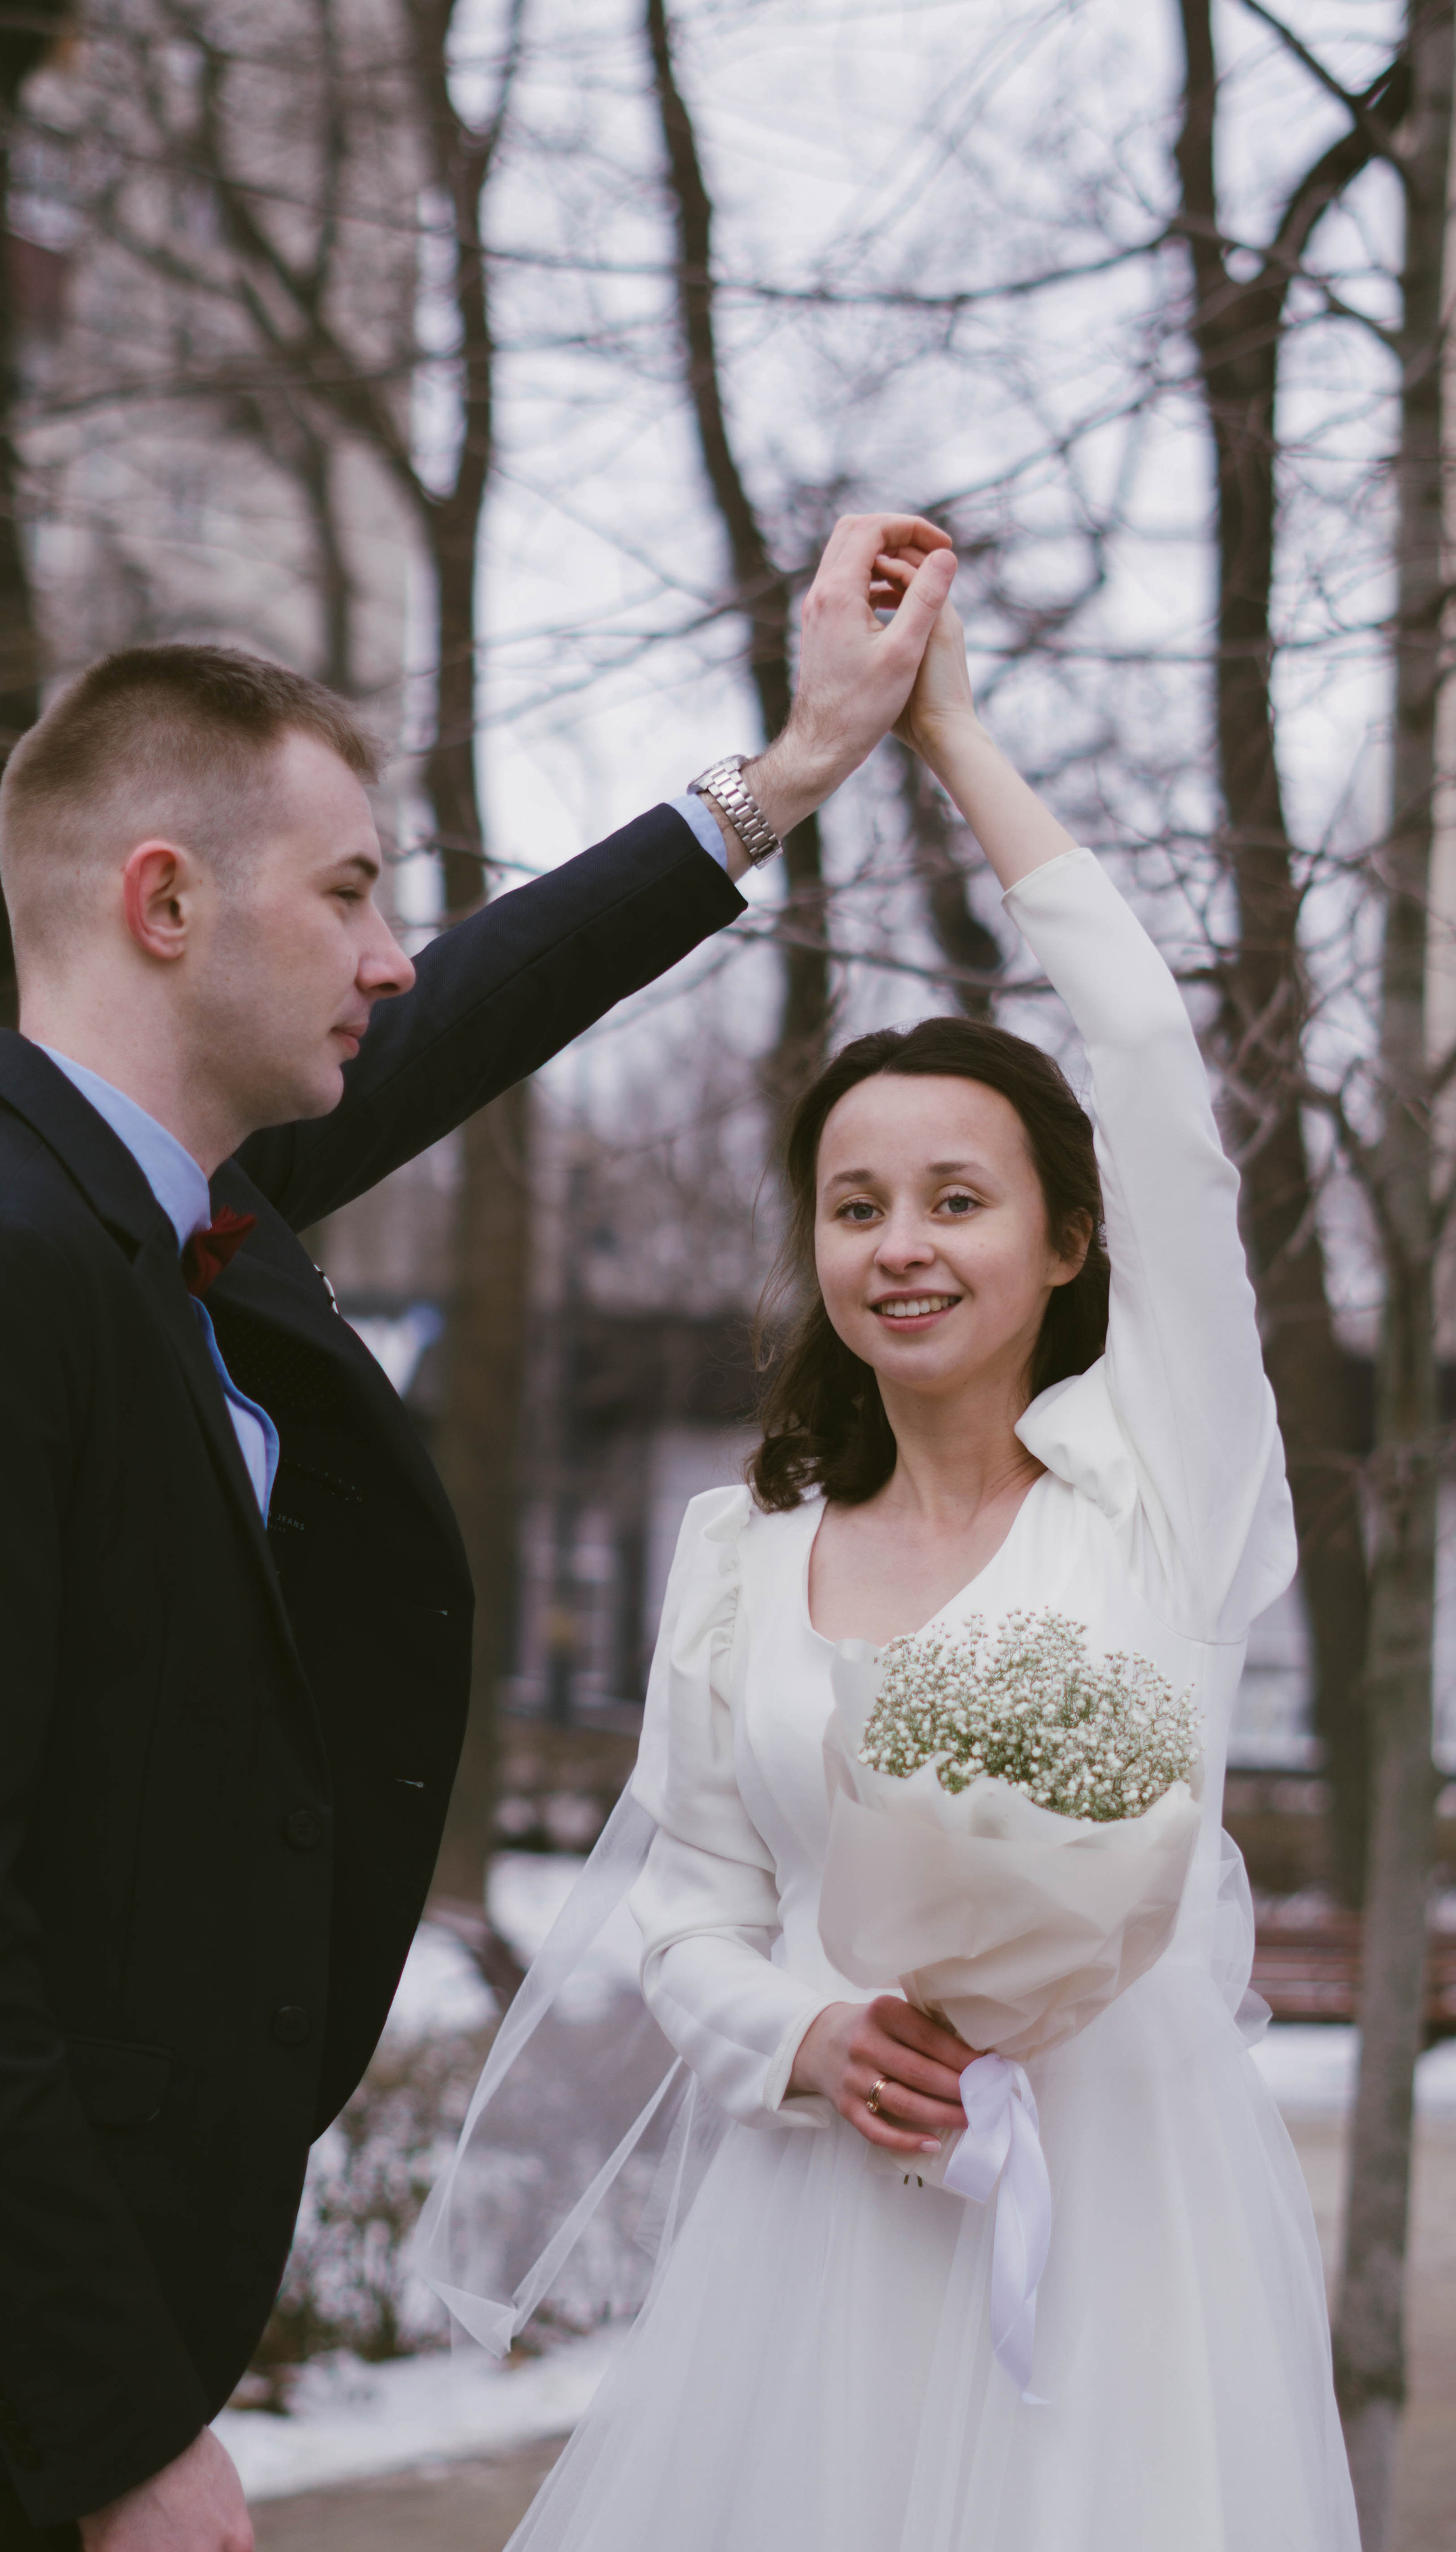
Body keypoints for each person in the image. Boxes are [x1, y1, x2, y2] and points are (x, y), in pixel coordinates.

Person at [0, 514, 957, 2551]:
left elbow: (464, 1009)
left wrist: (792, 771)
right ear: (165, 902)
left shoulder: (138, 1207)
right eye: (351, 892)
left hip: (1, 2381)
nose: (390, 956)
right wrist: (115, 2432)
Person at [426, 567, 1360, 2551]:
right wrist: (813, 2038)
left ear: (1070, 1242)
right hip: (822, 2241)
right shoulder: (739, 1556)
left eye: (957, 1198)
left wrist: (946, 735)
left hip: (1123, 2245)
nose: (902, 1245)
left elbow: (1150, 1062)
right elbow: (690, 1915)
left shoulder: (1160, 1488)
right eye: (855, 1207)